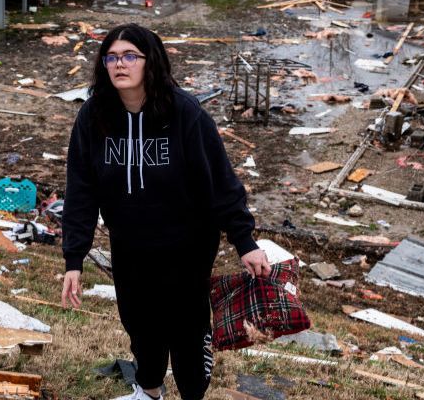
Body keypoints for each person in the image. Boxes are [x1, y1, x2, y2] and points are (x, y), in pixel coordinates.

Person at [61, 23, 271, 400]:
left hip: (187, 245)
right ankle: (150, 391)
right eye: (111, 57)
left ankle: (192, 394)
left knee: (186, 329)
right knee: (139, 324)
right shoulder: (94, 116)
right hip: (130, 243)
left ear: (150, 62)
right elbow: (81, 190)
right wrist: (73, 258)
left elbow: (221, 181)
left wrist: (245, 242)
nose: (118, 64)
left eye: (129, 56)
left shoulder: (184, 113)